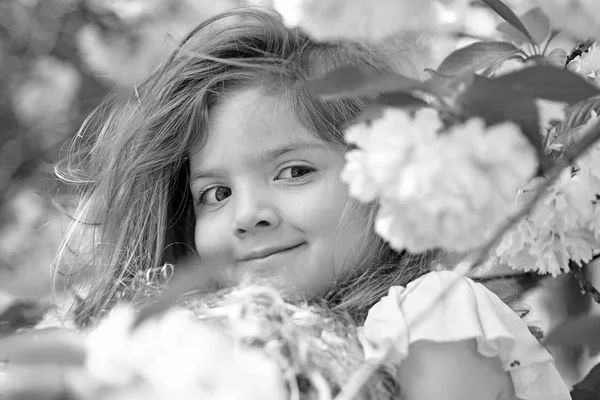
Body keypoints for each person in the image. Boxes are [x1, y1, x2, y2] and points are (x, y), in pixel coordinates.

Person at [54, 7, 572, 400]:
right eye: (216, 194)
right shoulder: (218, 360)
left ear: (382, 175)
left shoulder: (430, 316)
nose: (248, 213)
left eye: (295, 171)